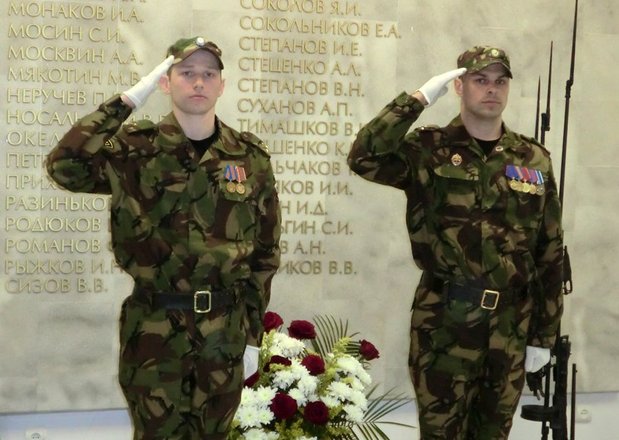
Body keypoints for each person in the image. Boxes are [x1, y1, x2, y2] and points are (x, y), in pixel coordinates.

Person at [46, 36, 281, 439]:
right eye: (186, 73)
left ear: (222, 85)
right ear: (165, 82)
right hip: (155, 328)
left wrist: (252, 336)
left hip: (223, 332)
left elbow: (265, 253)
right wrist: (128, 100)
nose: (199, 82)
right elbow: (65, 165)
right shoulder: (134, 151)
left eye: (209, 74)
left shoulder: (249, 157)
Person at [347, 46, 564, 439]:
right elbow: (364, 157)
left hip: (510, 327)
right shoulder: (428, 149)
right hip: (444, 325)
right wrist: (417, 100)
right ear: (459, 86)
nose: (492, 89)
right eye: (480, 80)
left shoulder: (532, 159)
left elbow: (549, 252)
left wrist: (543, 337)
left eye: (500, 81)